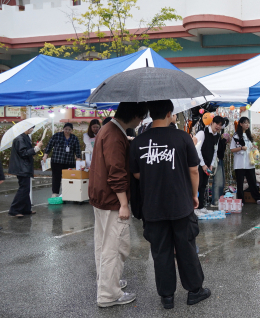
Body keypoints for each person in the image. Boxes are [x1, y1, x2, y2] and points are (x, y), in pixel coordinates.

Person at [130, 100, 210, 309]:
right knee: (186, 248)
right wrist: (194, 195)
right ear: (169, 113)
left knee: (161, 251)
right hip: (180, 203)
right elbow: (194, 170)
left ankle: (167, 297)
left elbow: (136, 173)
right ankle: (194, 291)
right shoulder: (182, 138)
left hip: (153, 206)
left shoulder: (138, 142)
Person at [89, 102, 147, 308]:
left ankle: (106, 281)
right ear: (133, 116)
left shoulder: (108, 129)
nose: (140, 122)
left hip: (100, 197)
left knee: (103, 245)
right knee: (115, 247)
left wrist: (127, 140)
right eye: (141, 118)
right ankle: (109, 294)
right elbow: (116, 172)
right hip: (113, 200)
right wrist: (124, 203)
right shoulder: (114, 136)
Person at [8, 125, 43, 217]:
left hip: (24, 167)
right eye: (31, 128)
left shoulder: (24, 137)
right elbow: (23, 153)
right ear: (26, 128)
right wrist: (36, 148)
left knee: (25, 188)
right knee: (23, 188)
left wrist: (35, 148)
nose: (32, 130)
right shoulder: (20, 139)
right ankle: (14, 209)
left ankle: (26, 209)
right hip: (22, 167)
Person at [230, 117, 260, 204]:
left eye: (248, 123)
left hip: (249, 162)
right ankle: (240, 200)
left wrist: (254, 147)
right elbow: (232, 149)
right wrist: (241, 148)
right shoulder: (236, 136)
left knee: (252, 181)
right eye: (245, 123)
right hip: (239, 163)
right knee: (240, 183)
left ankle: (258, 198)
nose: (247, 125)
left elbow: (250, 147)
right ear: (241, 124)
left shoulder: (249, 135)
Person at [195, 116, 228, 209]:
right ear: (211, 123)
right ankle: (195, 208)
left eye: (220, 125)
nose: (218, 126)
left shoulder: (217, 136)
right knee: (196, 186)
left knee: (203, 186)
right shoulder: (202, 132)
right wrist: (203, 165)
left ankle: (200, 207)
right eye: (217, 123)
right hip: (198, 165)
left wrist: (211, 165)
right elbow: (196, 149)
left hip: (207, 165)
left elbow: (215, 151)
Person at [43, 123, 82, 198]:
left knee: (68, 178)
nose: (67, 131)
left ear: (72, 130)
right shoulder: (57, 135)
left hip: (69, 162)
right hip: (57, 161)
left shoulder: (74, 138)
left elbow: (77, 150)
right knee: (56, 178)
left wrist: (78, 159)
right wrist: (45, 155)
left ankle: (66, 193)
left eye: (69, 129)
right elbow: (49, 145)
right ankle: (55, 193)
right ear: (63, 129)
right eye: (66, 129)